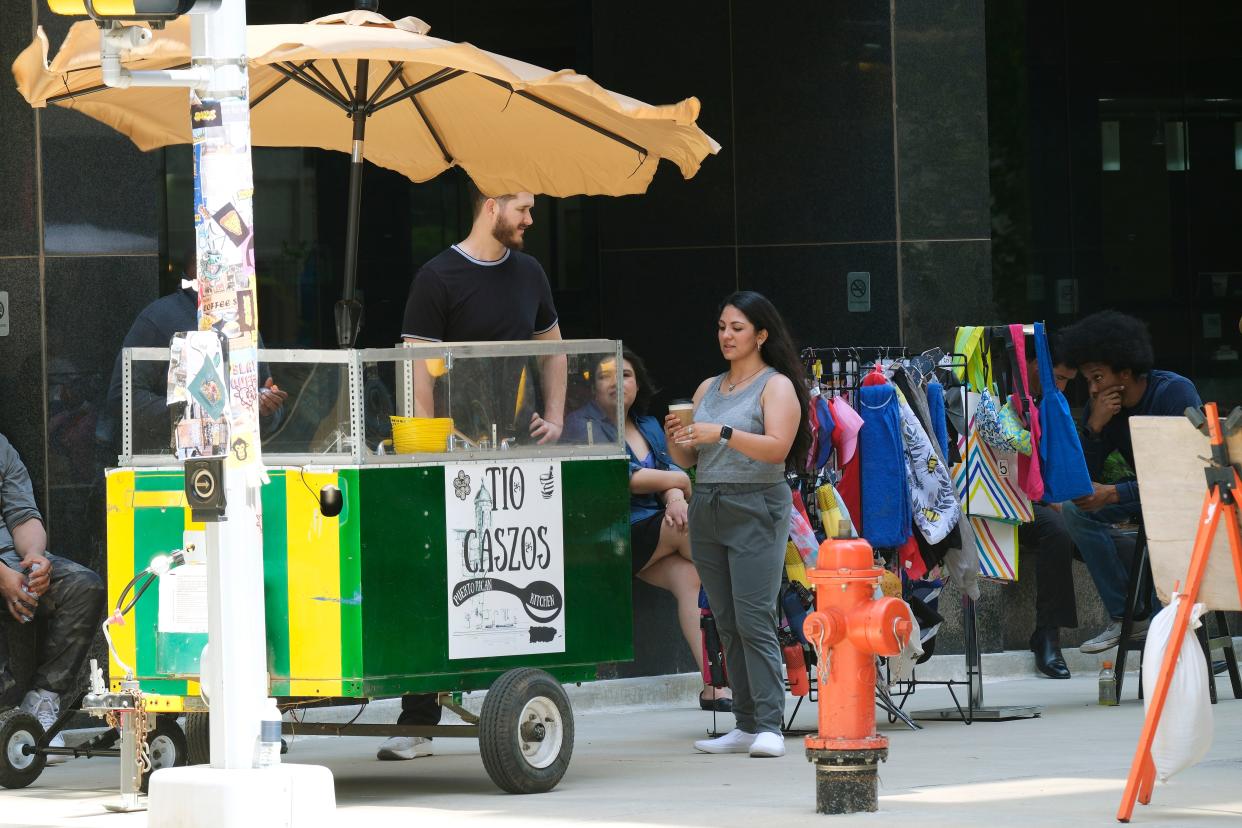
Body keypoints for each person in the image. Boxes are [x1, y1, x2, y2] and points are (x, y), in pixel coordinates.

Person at [382, 179, 566, 761]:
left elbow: (554, 349)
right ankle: (419, 720)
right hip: (451, 456)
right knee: (436, 574)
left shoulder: (530, 272)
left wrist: (556, 419)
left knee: (517, 563)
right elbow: (420, 371)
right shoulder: (438, 276)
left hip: (513, 453)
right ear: (492, 206)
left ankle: (513, 694)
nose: (530, 218)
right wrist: (432, 449)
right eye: (524, 207)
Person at [666, 291, 810, 759]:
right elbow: (689, 459)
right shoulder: (708, 388)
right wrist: (678, 440)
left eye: (737, 328)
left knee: (755, 617)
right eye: (722, 327)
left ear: (761, 335)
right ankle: (745, 723)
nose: (726, 336)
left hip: (757, 504)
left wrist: (722, 432)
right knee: (725, 620)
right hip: (708, 501)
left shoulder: (776, 386)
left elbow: (778, 448)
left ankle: (770, 722)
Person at [564, 350, 731, 711]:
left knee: (691, 579)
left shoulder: (649, 425)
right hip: (606, 538)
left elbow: (670, 471)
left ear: (637, 383)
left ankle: (715, 685)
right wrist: (676, 483)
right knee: (708, 550)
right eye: (605, 375)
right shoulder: (582, 425)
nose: (616, 382)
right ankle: (741, 654)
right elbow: (618, 479)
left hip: (652, 530)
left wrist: (674, 497)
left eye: (624, 374)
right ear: (592, 387)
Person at [1057, 310, 1202, 654]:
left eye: (1097, 378)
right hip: (1147, 498)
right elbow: (1084, 481)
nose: (1092, 388)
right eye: (1088, 381)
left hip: (1185, 502)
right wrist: (1094, 426)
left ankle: (1164, 628)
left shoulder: (1174, 393)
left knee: (1162, 524)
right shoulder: (1106, 408)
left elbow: (1181, 477)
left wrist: (1113, 494)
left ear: (1124, 372)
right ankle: (1128, 617)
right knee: (1074, 511)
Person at [1, 432, 106, 762]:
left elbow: (24, 515)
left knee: (83, 586)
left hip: (10, 559)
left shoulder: (2, 447)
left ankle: (40, 706)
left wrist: (35, 557)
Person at [1021, 341, 1081, 679]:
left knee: (1107, 533)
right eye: (1056, 377)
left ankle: (1137, 621)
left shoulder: (1053, 402)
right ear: (1032, 364)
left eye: (1067, 381)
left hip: (1046, 499)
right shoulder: (999, 393)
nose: (1060, 387)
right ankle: (1047, 634)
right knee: (1056, 529)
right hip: (1005, 501)